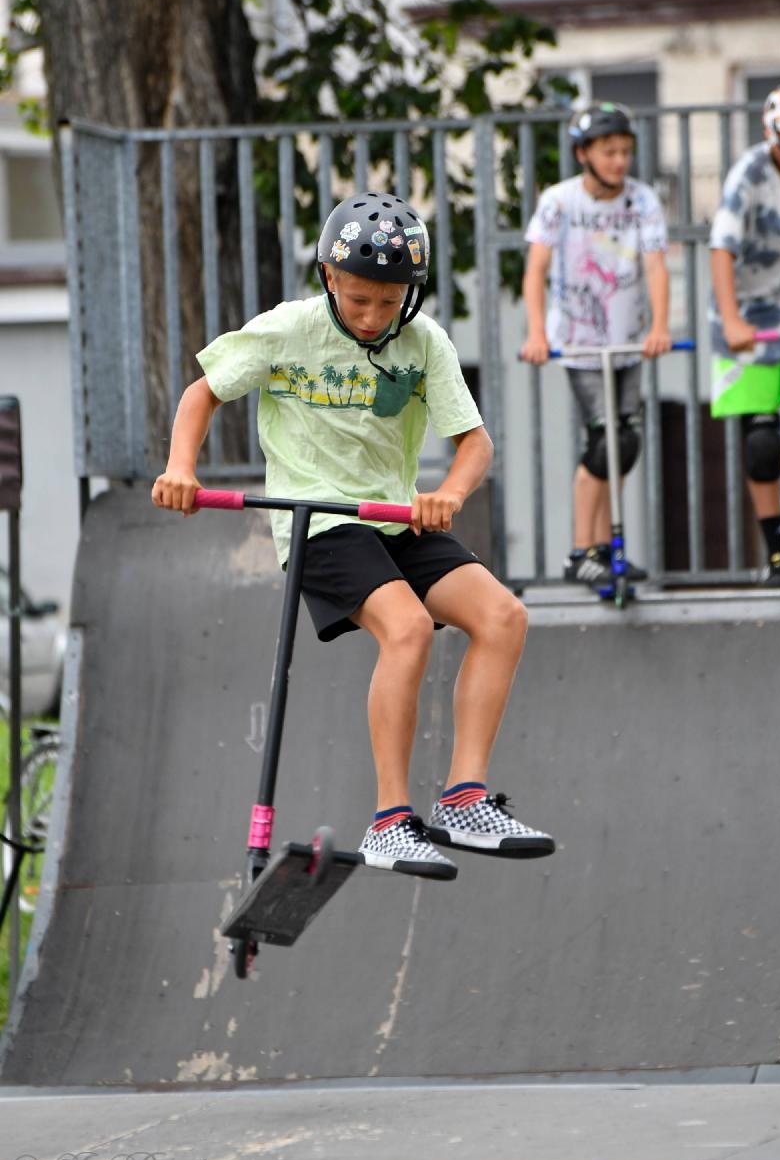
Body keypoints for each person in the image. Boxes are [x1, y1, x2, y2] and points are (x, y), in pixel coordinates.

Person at [152, 191, 555, 880]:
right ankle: (391, 822)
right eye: (360, 300)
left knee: (503, 616)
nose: (374, 318)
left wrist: (449, 494)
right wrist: (180, 468)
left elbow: (476, 442)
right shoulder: (288, 329)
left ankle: (462, 798)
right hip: (319, 522)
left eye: (390, 302)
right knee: (408, 628)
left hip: (392, 518)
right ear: (330, 279)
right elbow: (203, 393)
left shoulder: (424, 341)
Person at [520, 101, 671, 587]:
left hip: (626, 342)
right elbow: (536, 270)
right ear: (583, 153)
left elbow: (655, 266)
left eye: (625, 152)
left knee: (624, 444)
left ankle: (604, 550)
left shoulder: (642, 201)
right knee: (606, 440)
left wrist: (659, 326)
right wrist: (538, 332)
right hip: (582, 345)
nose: (619, 161)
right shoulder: (560, 202)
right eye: (609, 152)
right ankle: (578, 552)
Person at [709, 81, 780, 586]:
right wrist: (732, 319)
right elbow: (721, 249)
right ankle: (778, 556)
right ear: (777, 144)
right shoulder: (750, 172)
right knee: (762, 442)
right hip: (750, 317)